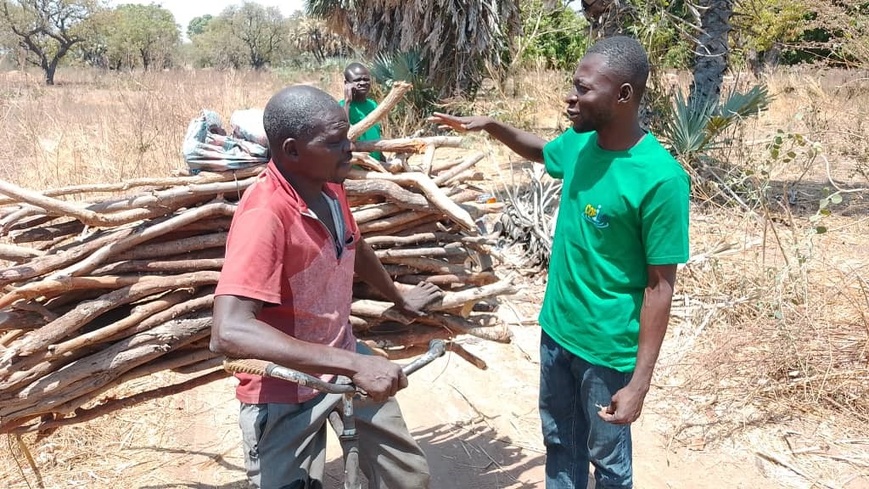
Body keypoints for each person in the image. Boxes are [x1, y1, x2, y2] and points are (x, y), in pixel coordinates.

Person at [429, 36, 690, 489]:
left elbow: (660, 287)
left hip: (606, 349)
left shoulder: (660, 178)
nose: (571, 97)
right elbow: (542, 152)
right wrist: (492, 125)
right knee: (560, 442)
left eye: (583, 89)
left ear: (623, 95)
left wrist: (639, 383)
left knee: (608, 462)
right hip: (557, 331)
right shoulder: (581, 143)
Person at [211, 84, 442, 489]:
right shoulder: (265, 214)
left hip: (341, 354)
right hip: (284, 387)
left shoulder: (329, 188)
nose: (349, 148)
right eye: (335, 142)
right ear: (292, 150)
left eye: (347, 137)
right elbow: (228, 331)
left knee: (407, 477)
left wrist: (399, 297)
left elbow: (355, 246)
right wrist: (354, 365)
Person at [340, 62, 385, 161]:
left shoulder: (372, 105)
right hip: (357, 165)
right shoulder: (341, 107)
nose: (363, 83)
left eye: (366, 79)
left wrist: (382, 159)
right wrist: (347, 102)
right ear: (346, 83)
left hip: (376, 163)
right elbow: (343, 134)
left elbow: (376, 134)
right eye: (357, 80)